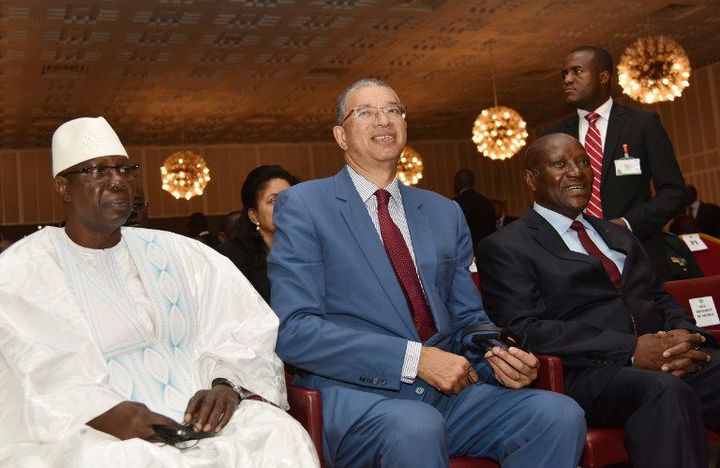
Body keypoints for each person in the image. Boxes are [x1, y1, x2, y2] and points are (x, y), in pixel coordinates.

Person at [268, 78, 586, 468]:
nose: (383, 120)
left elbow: (469, 319)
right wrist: (413, 360)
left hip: (449, 396)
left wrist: (500, 356)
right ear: (341, 135)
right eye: (365, 113)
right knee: (416, 427)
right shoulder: (304, 206)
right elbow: (294, 331)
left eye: (393, 110)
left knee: (558, 415)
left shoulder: (443, 212)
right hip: (359, 397)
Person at [0, 117, 318, 467]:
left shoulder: (183, 254)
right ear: (64, 188)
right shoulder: (27, 268)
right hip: (94, 425)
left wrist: (225, 386)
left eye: (125, 170)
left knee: (279, 434)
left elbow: (242, 328)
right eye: (98, 171)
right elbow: (40, 372)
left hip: (199, 414)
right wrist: (114, 415)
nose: (118, 182)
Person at [477, 133, 719, 468]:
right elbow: (523, 328)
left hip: (658, 355)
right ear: (532, 179)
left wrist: (685, 337)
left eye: (582, 161)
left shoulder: (617, 234)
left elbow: (659, 297)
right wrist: (631, 350)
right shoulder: (506, 246)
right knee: (664, 390)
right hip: (588, 372)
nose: (576, 171)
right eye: (560, 164)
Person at [545, 46, 686, 280]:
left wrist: (627, 224)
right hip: (577, 261)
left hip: (638, 252)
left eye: (576, 71)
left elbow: (673, 192)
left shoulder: (642, 124)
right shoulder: (555, 136)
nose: (567, 80)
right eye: (564, 74)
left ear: (603, 77)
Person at [218, 165, 298, 302]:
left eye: (289, 199)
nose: (285, 206)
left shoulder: (308, 248)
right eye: (273, 200)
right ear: (253, 215)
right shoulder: (231, 259)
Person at [452, 169, 496, 257]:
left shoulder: (454, 204)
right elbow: (493, 231)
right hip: (487, 253)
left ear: (458, 182)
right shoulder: (486, 202)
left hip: (465, 255)